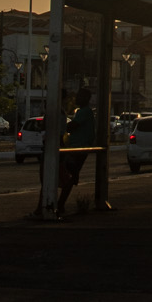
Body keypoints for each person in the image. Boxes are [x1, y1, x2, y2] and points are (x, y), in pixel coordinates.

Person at [57, 89, 98, 218]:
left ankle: (60, 204)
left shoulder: (84, 112)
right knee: (69, 174)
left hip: (78, 147)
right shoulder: (83, 112)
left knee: (68, 175)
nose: (76, 99)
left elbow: (73, 126)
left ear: (85, 98)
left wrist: (62, 126)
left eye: (79, 96)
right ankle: (60, 203)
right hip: (77, 146)